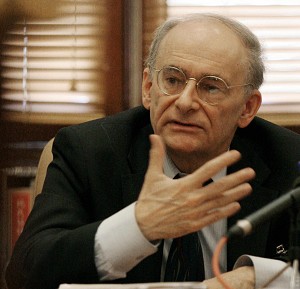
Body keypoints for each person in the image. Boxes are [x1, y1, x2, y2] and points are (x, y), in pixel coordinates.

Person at [5, 13, 300, 289]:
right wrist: (138, 227)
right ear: (148, 87)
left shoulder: (290, 160)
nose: (185, 102)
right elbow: (26, 274)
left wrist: (260, 277)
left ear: (247, 108)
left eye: (211, 87)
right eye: (172, 80)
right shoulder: (88, 152)